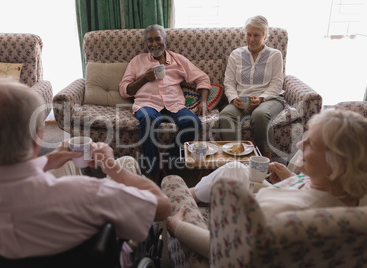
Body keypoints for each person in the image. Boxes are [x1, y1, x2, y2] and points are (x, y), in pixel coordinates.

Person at [0, 79, 171, 259]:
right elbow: (163, 207)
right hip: (105, 256)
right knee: (127, 163)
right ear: (37, 137)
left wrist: (49, 159)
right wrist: (113, 168)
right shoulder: (87, 194)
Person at [161, 109, 367, 264]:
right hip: (272, 199)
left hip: (229, 230)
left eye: (310, 144)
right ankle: (193, 194)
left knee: (172, 182)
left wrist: (178, 227)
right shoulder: (349, 190)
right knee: (236, 167)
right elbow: (312, 191)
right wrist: (290, 179)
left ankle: (180, 199)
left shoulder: (290, 216)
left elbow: (225, 249)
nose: (298, 146)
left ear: (338, 165)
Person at [119, 24, 212, 181]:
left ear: (165, 41)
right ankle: (153, 172)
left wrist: (203, 102)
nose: (154, 44)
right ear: (146, 43)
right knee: (147, 120)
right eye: (150, 41)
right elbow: (124, 89)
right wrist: (144, 79)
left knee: (193, 122)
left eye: (157, 39)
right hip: (147, 103)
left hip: (174, 104)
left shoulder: (178, 60)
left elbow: (202, 78)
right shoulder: (137, 61)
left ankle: (166, 163)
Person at [219, 15, 285, 159]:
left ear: (265, 36)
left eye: (256, 35)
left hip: (269, 99)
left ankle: (266, 162)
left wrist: (261, 98)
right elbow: (229, 82)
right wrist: (233, 98)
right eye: (249, 34)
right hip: (241, 100)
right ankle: (237, 160)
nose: (252, 39)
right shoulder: (236, 54)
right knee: (225, 115)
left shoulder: (275, 55)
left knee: (259, 115)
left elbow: (277, 83)